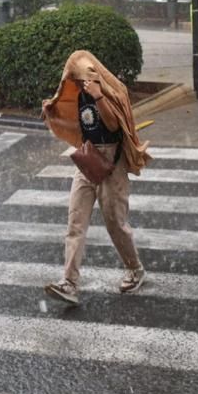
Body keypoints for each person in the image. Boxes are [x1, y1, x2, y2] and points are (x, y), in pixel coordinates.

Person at [41, 50, 152, 305]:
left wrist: (98, 96)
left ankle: (135, 269)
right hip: (88, 159)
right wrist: (52, 111)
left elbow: (114, 125)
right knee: (75, 222)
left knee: (115, 223)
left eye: (81, 79)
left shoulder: (108, 92)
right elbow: (76, 125)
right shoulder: (80, 96)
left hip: (113, 163)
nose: (79, 84)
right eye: (75, 80)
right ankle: (69, 283)